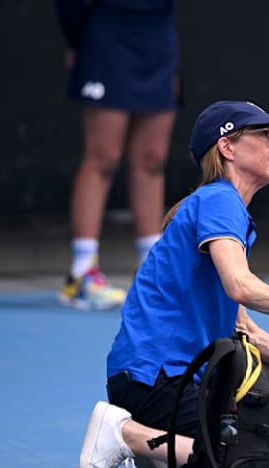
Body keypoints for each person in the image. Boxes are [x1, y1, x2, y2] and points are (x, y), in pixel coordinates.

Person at [78, 100, 269, 468]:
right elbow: (239, 285)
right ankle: (126, 435)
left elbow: (240, 325)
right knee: (258, 457)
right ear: (227, 146)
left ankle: (151, 450)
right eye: (266, 136)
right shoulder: (220, 201)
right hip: (156, 380)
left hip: (154, 378)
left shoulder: (220, 206)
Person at [55, 0, 181, 310]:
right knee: (103, 157)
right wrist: (77, 40)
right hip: (107, 33)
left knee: (153, 158)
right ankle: (81, 274)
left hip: (158, 34)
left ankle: (151, 271)